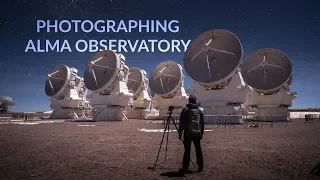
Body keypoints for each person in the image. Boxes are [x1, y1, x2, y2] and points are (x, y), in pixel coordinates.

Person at [178, 95, 204, 173]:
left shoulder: (185, 110)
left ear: (188, 101)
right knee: (198, 150)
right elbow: (202, 123)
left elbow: (182, 123)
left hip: (187, 133)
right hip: (197, 133)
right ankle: (200, 167)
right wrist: (201, 133)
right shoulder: (199, 111)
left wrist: (180, 133)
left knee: (187, 151)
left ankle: (185, 168)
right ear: (195, 101)